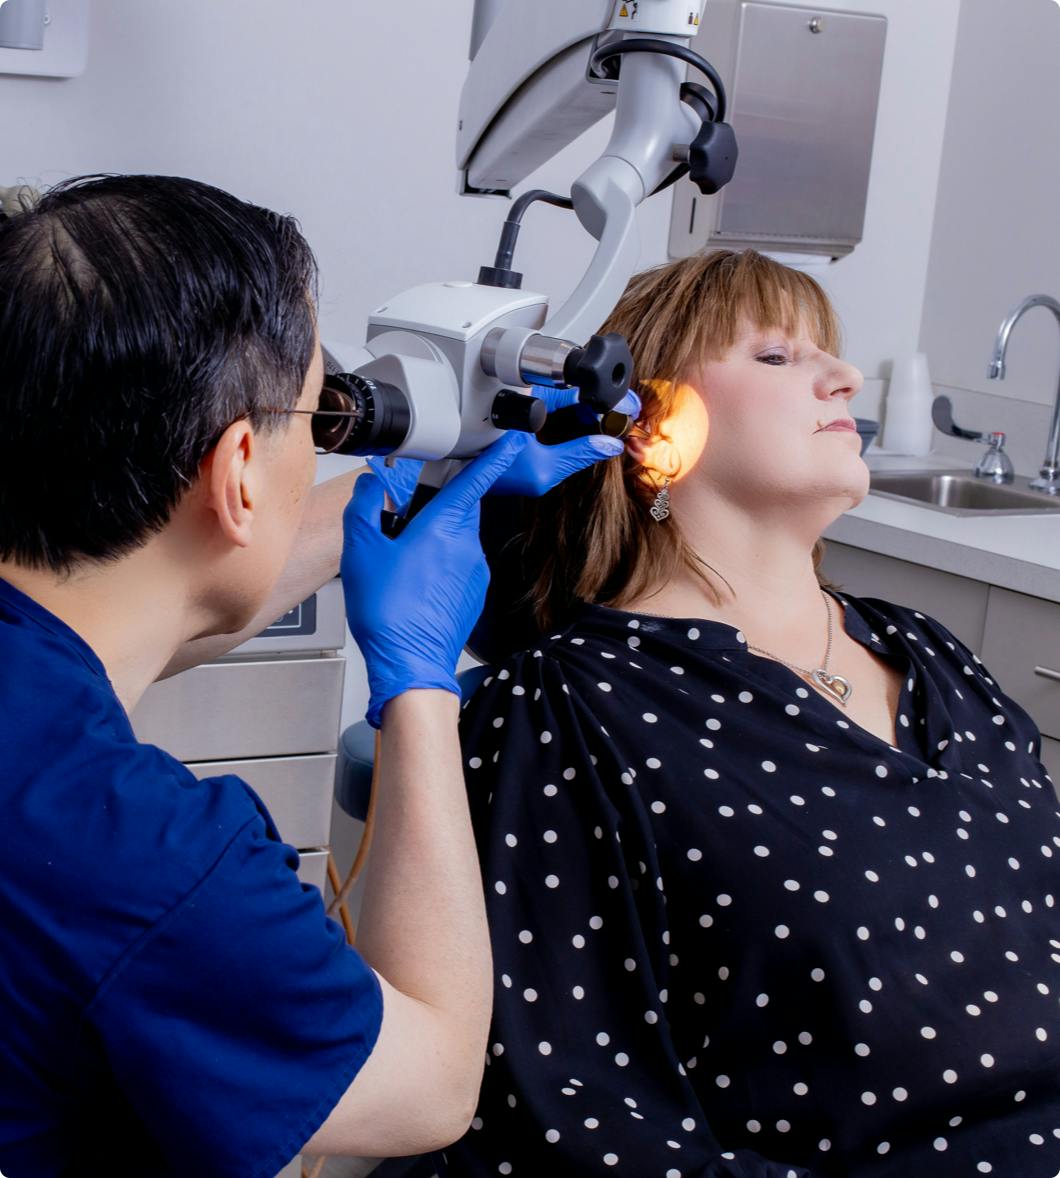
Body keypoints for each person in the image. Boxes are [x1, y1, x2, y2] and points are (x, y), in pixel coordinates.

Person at [0, 173, 624, 1178]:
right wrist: (417, 684)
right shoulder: (149, 862)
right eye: (314, 411)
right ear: (239, 466)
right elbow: (430, 1086)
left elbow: (151, 605)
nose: (327, 439)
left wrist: (409, 489)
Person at [443, 249, 1060, 1177]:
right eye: (775, 357)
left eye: (830, 355)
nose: (845, 377)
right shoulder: (569, 709)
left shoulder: (933, 656)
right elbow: (578, 1118)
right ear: (647, 425)